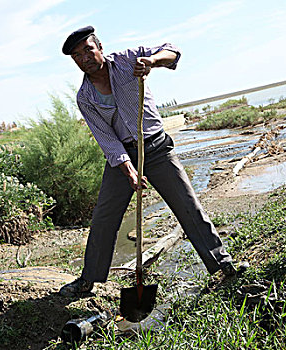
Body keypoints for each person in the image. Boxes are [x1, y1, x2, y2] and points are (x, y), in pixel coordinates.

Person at [59, 26, 235, 297]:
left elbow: (173, 51)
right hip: (124, 158)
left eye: (87, 50)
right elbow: (106, 139)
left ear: (100, 47)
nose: (84, 58)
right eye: (77, 55)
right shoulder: (85, 97)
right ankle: (88, 281)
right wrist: (128, 169)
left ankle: (222, 265)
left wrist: (152, 62)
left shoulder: (128, 60)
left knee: (188, 206)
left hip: (156, 149)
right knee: (104, 218)